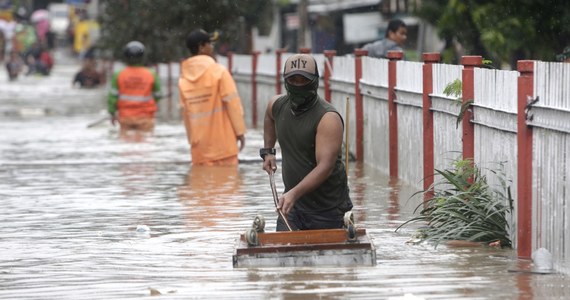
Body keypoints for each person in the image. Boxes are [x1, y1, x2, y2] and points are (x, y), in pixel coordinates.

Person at [261, 53, 353, 231]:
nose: (298, 85)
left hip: (328, 210)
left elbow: (325, 167)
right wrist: (268, 151)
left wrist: (293, 193)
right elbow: (268, 116)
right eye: (292, 80)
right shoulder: (277, 105)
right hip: (292, 209)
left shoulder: (328, 119)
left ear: (315, 81)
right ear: (285, 81)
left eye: (303, 80)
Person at [178, 29, 246, 166]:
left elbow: (186, 116)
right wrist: (240, 132)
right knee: (227, 185)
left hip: (199, 151)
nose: (212, 47)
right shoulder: (219, 71)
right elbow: (233, 104)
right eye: (210, 43)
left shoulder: (183, 80)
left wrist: (193, 142)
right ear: (201, 47)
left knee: (200, 185)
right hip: (224, 147)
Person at [108, 41, 162, 132]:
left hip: (125, 117)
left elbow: (112, 97)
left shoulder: (119, 74)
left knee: (126, 144)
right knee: (145, 144)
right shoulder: (151, 74)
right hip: (146, 117)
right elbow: (158, 95)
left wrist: (112, 113)